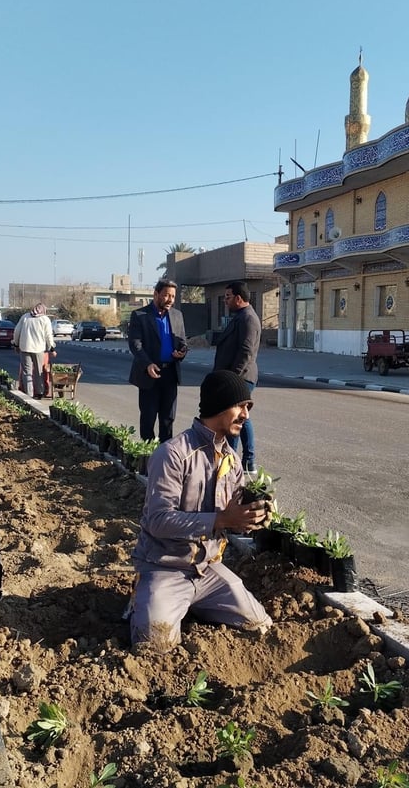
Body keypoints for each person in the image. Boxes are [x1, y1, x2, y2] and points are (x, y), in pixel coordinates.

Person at [128, 370, 273, 651]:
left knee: (259, 626)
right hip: (165, 568)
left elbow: (231, 518)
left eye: (249, 407)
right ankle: (143, 599)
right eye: (241, 406)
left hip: (208, 571)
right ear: (219, 405)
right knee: (153, 644)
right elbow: (157, 520)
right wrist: (220, 519)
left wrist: (247, 520)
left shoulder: (232, 461)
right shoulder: (173, 454)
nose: (246, 415)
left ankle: (190, 606)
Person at [127, 279, 188, 441]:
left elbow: (182, 341)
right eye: (166, 295)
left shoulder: (177, 315)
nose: (170, 300)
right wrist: (147, 364)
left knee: (168, 418)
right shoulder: (140, 315)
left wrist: (182, 352)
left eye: (173, 296)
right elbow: (135, 344)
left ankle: (165, 455)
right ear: (156, 294)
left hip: (170, 373)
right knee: (148, 416)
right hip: (150, 374)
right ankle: (147, 455)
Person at [212, 281, 261, 471]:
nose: (225, 301)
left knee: (235, 418)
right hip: (236, 377)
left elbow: (246, 352)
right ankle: (244, 461)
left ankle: (234, 461)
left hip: (241, 378)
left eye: (228, 297)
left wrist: (232, 379)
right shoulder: (240, 316)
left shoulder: (248, 318)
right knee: (241, 418)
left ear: (239, 299)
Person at [12, 303, 56, 399]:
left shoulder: (25, 317)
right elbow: (48, 335)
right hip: (39, 349)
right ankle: (40, 392)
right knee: (38, 371)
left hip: (25, 347)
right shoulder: (45, 319)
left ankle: (29, 393)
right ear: (44, 311)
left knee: (26, 371)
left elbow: (17, 331)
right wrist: (52, 348)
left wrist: (16, 344)